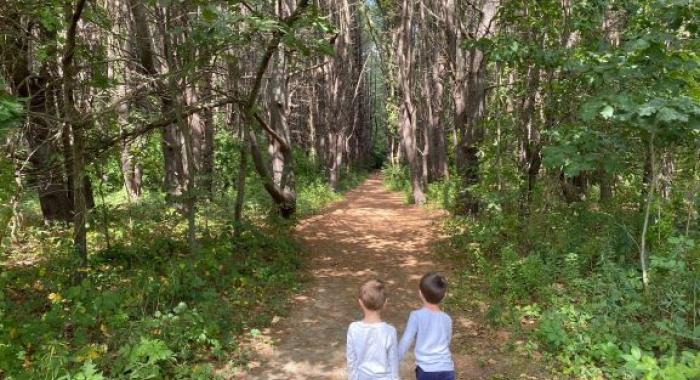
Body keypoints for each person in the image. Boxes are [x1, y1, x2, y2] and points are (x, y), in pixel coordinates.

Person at [398, 272, 455, 380]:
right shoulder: (447, 318)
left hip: (426, 370)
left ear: (420, 293)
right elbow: (447, 341)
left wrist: (395, 359)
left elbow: (406, 340)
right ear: (444, 296)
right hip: (447, 369)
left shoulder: (416, 316)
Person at [347, 279, 400, 380]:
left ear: (360, 302)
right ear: (385, 303)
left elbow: (351, 360)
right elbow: (393, 362)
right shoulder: (390, 331)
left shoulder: (353, 328)